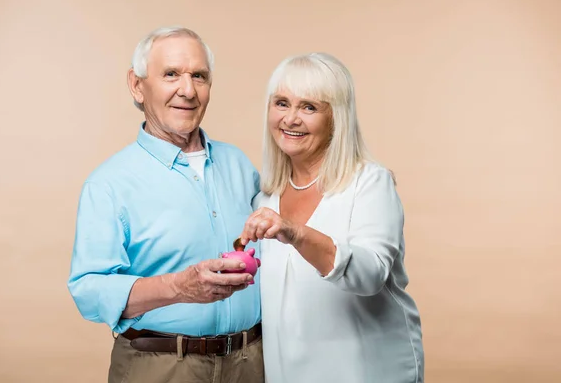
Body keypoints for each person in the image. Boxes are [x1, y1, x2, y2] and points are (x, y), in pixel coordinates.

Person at [67, 26, 264, 383]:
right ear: (137, 85)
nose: (187, 90)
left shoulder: (240, 165)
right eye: (171, 74)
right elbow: (88, 290)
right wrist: (178, 287)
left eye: (199, 76)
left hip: (251, 363)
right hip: (161, 366)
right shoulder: (109, 183)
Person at [238, 52, 424, 382]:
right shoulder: (264, 198)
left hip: (367, 373)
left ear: (336, 118)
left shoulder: (369, 184)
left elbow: (371, 275)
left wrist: (295, 232)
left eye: (309, 107)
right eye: (281, 103)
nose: (291, 118)